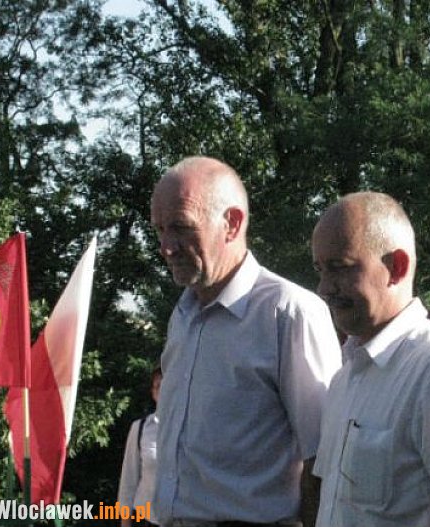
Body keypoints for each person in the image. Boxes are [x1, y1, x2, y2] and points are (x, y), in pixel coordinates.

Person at [150, 156, 342, 527]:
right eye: (160, 229)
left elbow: (324, 460)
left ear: (232, 223)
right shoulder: (183, 314)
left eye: (181, 227)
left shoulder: (288, 312)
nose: (166, 247)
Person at [310, 191, 430, 527]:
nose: (324, 288)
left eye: (339, 268)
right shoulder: (344, 377)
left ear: (396, 267)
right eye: (320, 270)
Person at [118, 367, 163, 527]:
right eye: (158, 386)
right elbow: (128, 481)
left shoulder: (191, 430)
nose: (163, 391)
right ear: (153, 393)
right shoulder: (140, 428)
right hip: (147, 519)